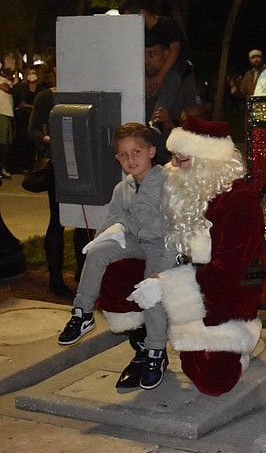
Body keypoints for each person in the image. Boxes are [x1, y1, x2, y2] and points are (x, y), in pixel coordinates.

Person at [96, 116, 266, 396]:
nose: (173, 166)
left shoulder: (238, 200)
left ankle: (240, 344)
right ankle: (148, 347)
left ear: (207, 162)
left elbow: (226, 273)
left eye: (182, 160)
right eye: (173, 158)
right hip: (174, 275)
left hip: (221, 294)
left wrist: (165, 285)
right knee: (112, 265)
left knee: (212, 381)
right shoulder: (175, 186)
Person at [57, 123, 175, 389]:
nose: (130, 159)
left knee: (151, 289)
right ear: (117, 158)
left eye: (136, 152)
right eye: (123, 154)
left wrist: (163, 270)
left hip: (161, 245)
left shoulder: (168, 182)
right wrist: (114, 230)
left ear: (152, 151)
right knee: (98, 249)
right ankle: (82, 312)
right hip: (134, 241)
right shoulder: (122, 190)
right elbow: (113, 221)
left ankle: (155, 352)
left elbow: (176, 228)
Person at [27, 72, 93, 296]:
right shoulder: (46, 96)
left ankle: (82, 272)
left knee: (84, 222)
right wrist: (50, 138)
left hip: (83, 162)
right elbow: (32, 131)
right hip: (57, 164)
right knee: (57, 219)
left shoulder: (84, 95)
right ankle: (56, 280)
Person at [144, 35, 205, 164]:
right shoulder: (130, 78)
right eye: (141, 54)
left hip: (171, 161)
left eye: (151, 54)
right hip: (139, 162)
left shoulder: (182, 81)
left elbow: (199, 123)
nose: (146, 60)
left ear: (166, 54)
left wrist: (173, 124)